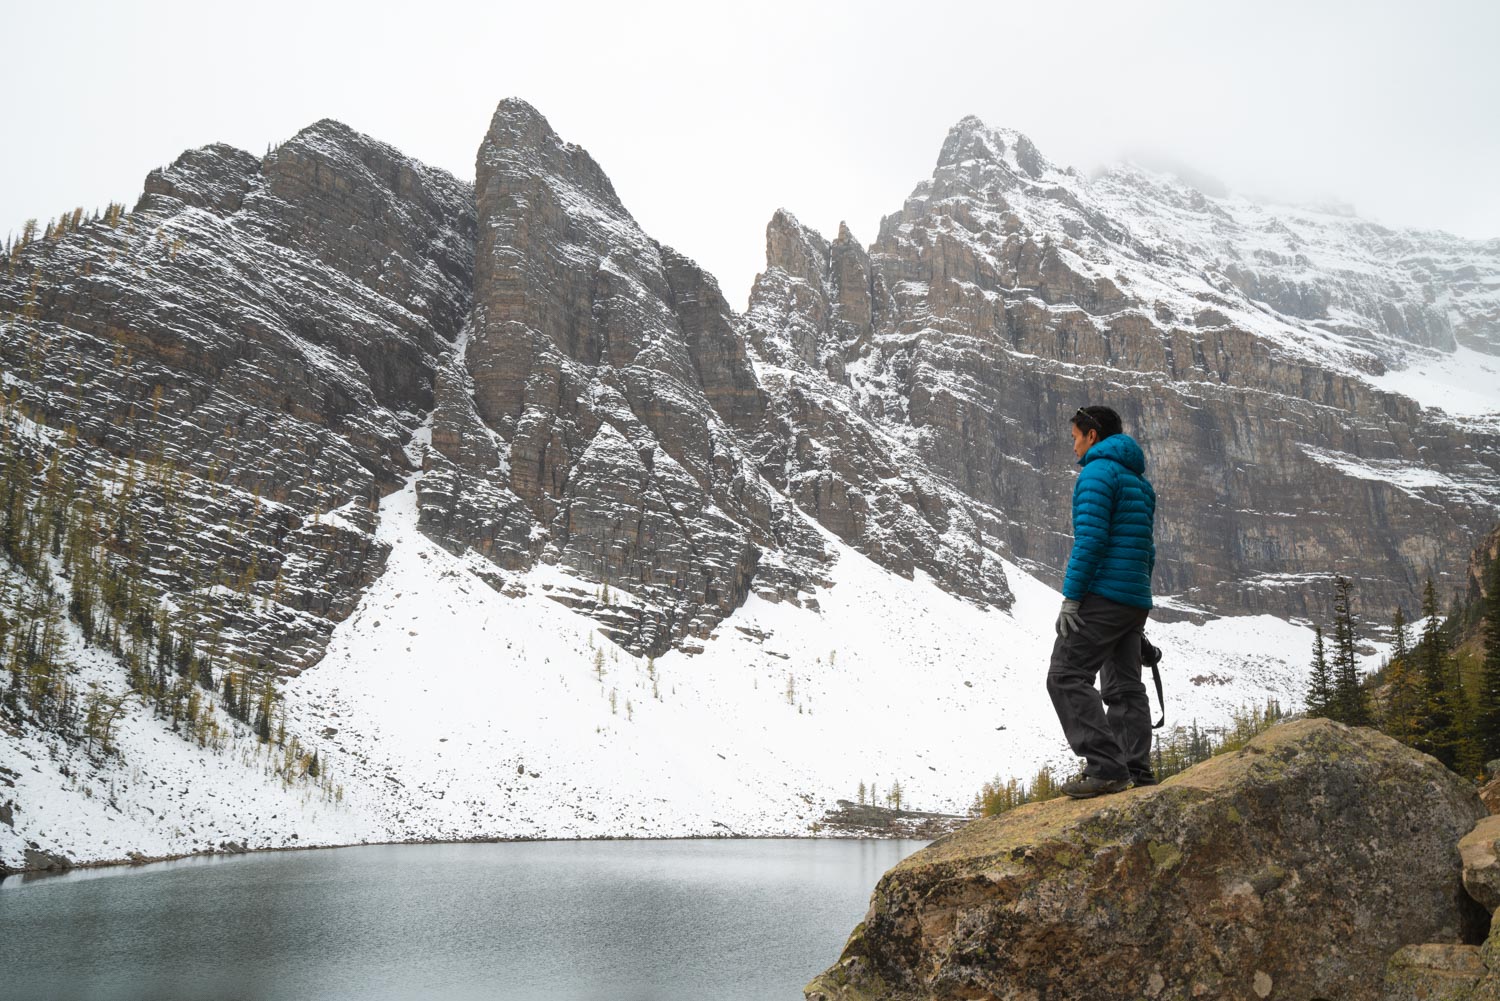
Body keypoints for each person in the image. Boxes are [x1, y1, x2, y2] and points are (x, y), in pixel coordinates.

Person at [1046, 405, 1157, 798]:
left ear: (1092, 435)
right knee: (1124, 686)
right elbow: (1148, 551)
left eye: (1076, 436)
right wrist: (1135, 611)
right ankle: (1135, 768)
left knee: (1065, 675)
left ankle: (1107, 768)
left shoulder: (1097, 473)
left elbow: (1090, 541)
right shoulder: (1140, 484)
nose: (1073, 446)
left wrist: (1072, 599)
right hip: (1132, 597)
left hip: (1104, 595)